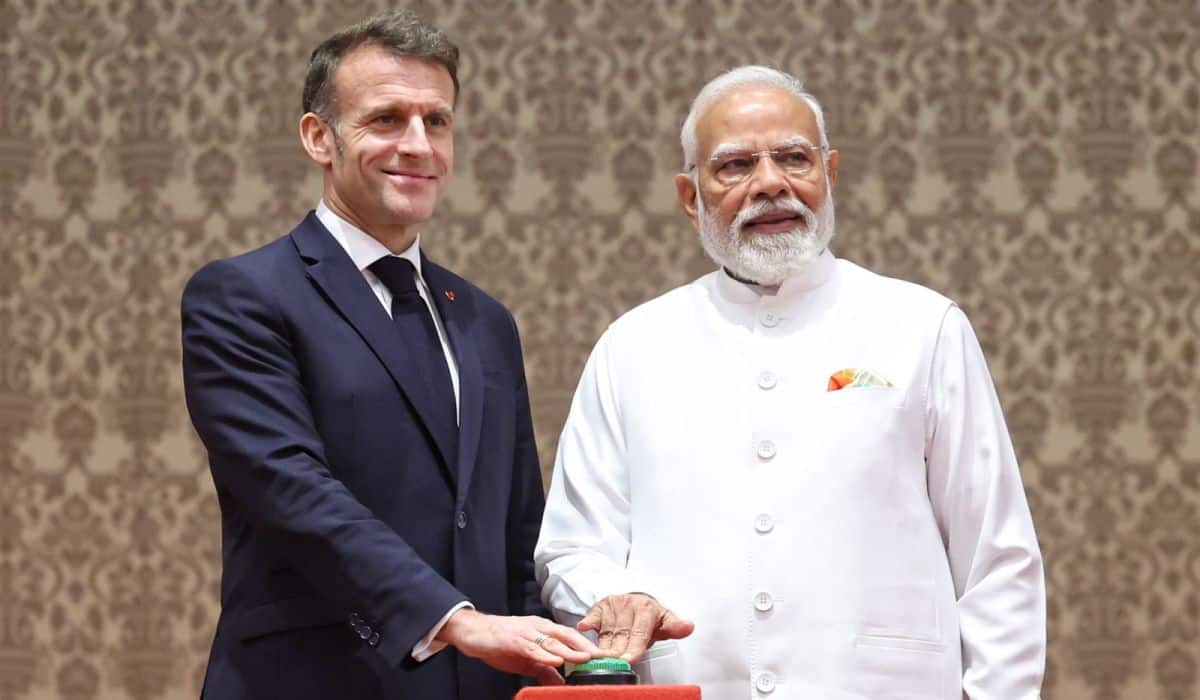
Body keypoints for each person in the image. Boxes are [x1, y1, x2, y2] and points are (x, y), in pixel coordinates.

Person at [535, 65, 1046, 700]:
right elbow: (572, 547)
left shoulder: (923, 326)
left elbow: (997, 559)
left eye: (793, 159)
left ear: (829, 175)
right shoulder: (632, 346)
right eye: (734, 165)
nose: (770, 184)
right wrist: (617, 601)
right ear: (690, 198)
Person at [182, 11, 598, 700]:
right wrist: (456, 620)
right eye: (386, 119)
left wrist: (562, 644)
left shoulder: (487, 322)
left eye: (437, 121)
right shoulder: (243, 296)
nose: (419, 144)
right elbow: (292, 491)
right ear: (320, 137)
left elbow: (517, 524)